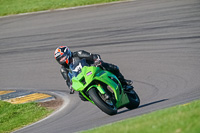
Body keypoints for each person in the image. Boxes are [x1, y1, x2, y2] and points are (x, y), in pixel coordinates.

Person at [54, 46, 133, 95]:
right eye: (59, 59)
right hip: (82, 81)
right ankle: (98, 98)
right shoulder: (63, 69)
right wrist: (71, 87)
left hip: (93, 71)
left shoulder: (78, 54)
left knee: (110, 67)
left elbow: (94, 56)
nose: (62, 60)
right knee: (81, 96)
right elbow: (68, 81)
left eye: (62, 57)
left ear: (67, 53)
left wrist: (97, 61)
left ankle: (124, 83)